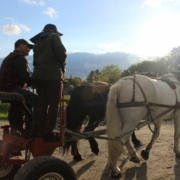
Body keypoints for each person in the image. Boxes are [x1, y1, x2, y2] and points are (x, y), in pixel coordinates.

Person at [30, 24, 67, 140]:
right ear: (54, 31)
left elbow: (35, 60)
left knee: (42, 103)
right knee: (54, 104)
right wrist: (62, 68)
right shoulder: (54, 37)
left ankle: (40, 130)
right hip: (51, 75)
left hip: (38, 75)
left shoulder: (37, 41)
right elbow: (62, 54)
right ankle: (48, 131)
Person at [0, 39, 38, 136]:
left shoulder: (8, 57)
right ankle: (33, 127)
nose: (29, 49)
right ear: (20, 45)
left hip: (4, 90)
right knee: (38, 99)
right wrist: (37, 80)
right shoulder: (20, 58)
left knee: (17, 104)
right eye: (27, 46)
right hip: (13, 89)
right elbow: (25, 77)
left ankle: (15, 128)